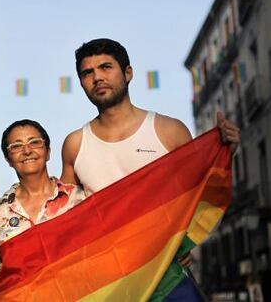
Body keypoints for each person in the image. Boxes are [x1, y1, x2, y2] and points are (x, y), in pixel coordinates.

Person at [60, 38, 240, 300]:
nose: (97, 77)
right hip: (108, 284)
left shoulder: (169, 131)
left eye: (106, 67)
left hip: (167, 276)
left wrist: (225, 154)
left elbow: (198, 194)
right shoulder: (75, 145)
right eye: (87, 72)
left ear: (128, 73)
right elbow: (66, 217)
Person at [0, 119, 85, 301]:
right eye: (16, 146)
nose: (26, 151)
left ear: (47, 152)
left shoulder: (77, 199)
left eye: (34, 142)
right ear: (8, 159)